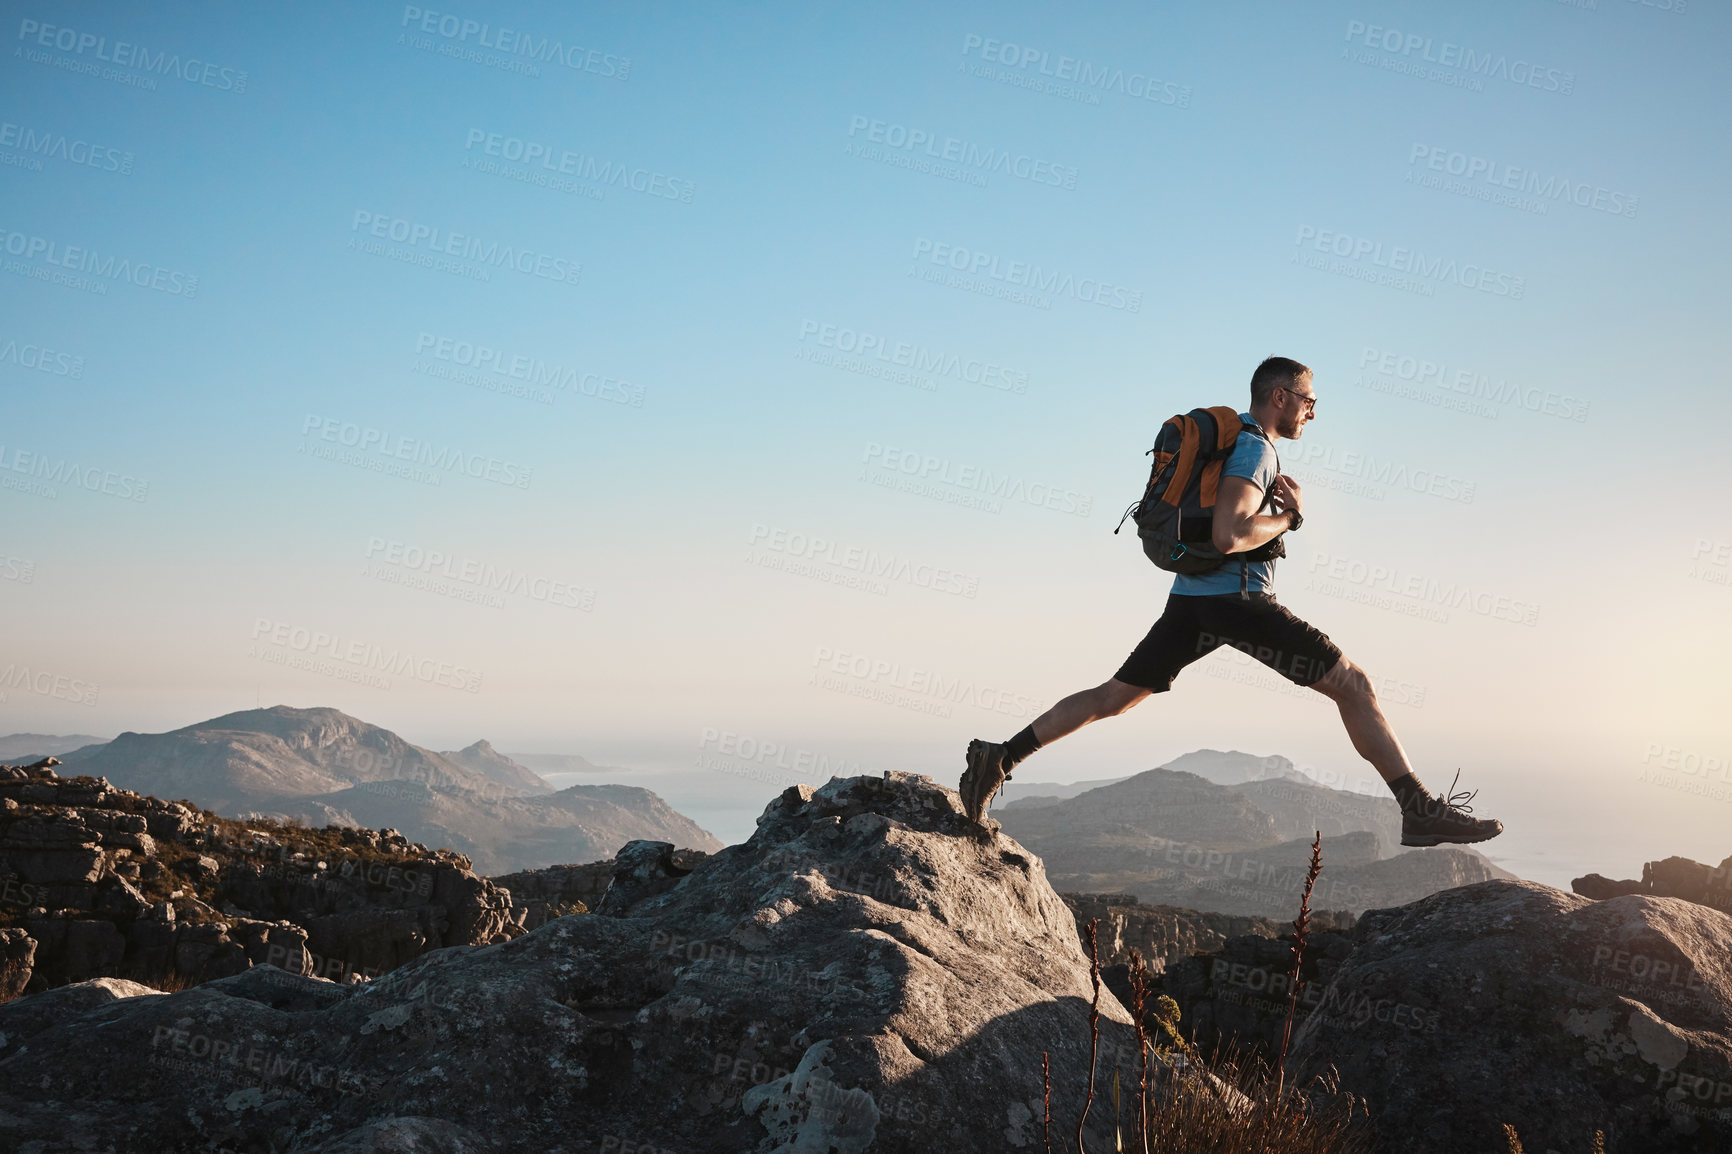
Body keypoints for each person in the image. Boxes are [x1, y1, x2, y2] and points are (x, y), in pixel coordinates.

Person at [958, 356, 1502, 848]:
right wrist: (1291, 517)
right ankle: (1419, 811)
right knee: (1354, 687)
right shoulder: (1254, 446)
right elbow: (1228, 534)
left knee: (1112, 698)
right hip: (1238, 603)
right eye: (1309, 400)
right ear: (1281, 396)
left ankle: (1000, 757)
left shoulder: (1238, 442)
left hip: (1191, 602)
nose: (1313, 413)